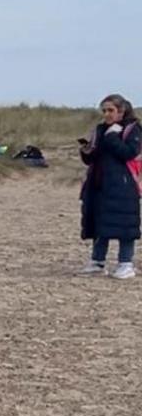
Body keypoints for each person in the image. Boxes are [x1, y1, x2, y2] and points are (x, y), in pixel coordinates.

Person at [78, 94, 140, 279]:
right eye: (104, 110)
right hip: (99, 184)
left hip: (123, 185)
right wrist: (86, 151)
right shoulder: (100, 129)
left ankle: (126, 263)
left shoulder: (133, 129)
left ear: (121, 111)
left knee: (125, 226)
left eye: (110, 110)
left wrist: (113, 136)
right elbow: (91, 159)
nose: (107, 114)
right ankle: (97, 261)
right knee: (99, 223)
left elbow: (128, 153)